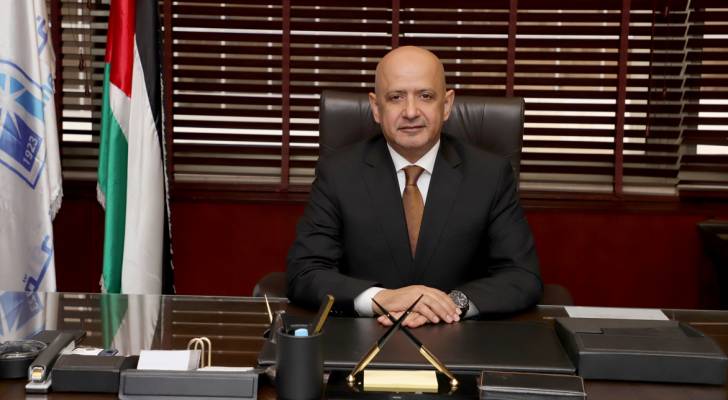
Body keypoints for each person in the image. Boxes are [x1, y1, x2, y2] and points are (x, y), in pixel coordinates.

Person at [287, 46, 541, 328]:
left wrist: (450, 305)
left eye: (425, 96)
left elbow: (521, 276)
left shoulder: (489, 174)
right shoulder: (338, 173)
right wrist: (381, 298)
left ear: (446, 105)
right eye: (396, 97)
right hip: (363, 336)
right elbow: (305, 273)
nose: (410, 112)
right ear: (376, 107)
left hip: (458, 337)